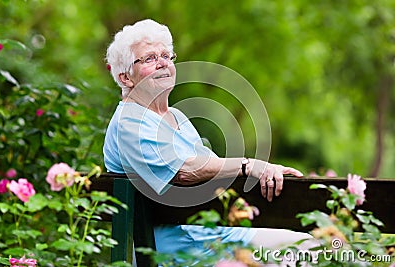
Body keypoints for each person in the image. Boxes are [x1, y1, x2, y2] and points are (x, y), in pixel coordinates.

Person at [103, 19, 314, 264]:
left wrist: (267, 172)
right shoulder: (129, 122)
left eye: (166, 56)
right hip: (184, 252)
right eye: (149, 59)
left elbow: (211, 169)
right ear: (125, 77)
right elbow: (182, 171)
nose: (163, 64)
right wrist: (249, 165)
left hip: (216, 236)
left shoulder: (176, 117)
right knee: (307, 252)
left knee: (313, 247)